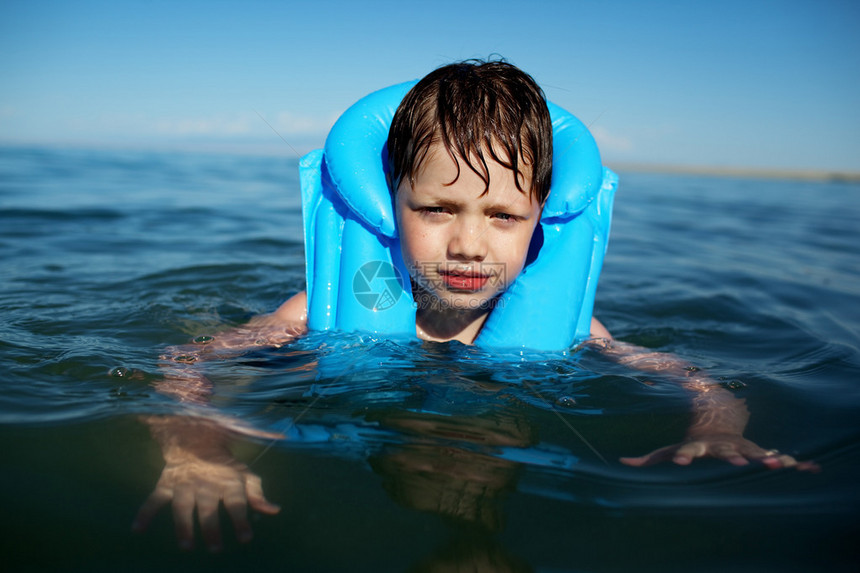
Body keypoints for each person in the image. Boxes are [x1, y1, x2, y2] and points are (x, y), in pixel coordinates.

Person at [132, 59, 815, 552]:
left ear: (540, 219)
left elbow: (690, 376)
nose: (468, 244)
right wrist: (199, 447)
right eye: (435, 208)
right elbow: (188, 360)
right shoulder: (315, 309)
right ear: (387, 202)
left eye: (502, 216)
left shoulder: (581, 330)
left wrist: (719, 425)